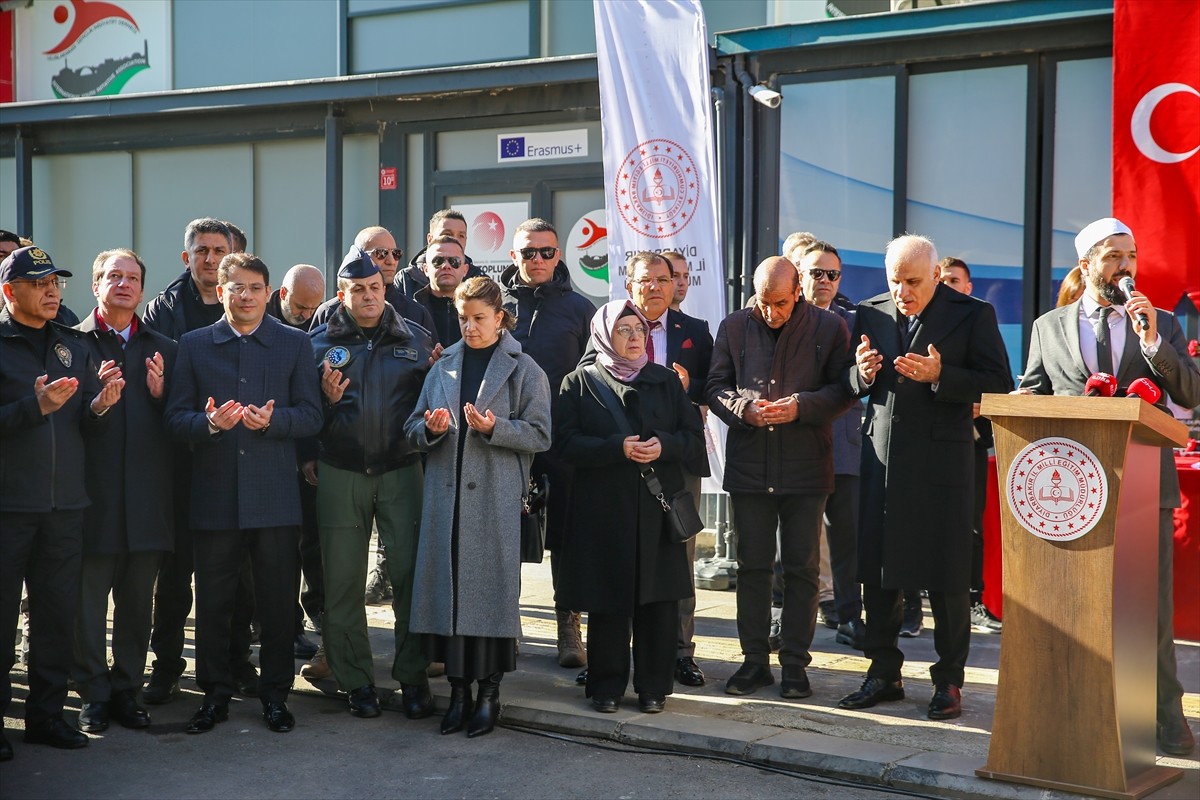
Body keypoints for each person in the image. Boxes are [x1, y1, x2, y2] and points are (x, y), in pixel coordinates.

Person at [1018, 217, 1200, 756]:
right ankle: (1078, 708)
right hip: (1075, 493)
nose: (1126, 266)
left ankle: (1166, 716)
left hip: (1146, 488)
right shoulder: (1048, 327)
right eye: (1113, 256)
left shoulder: (1162, 323)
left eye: (1132, 256)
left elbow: (1191, 394)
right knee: (1080, 607)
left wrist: (1151, 344)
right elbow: (1031, 393)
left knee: (1150, 610)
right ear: (1086, 265)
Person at [838, 235, 1011, 721]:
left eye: (913, 282)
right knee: (880, 571)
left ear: (935, 276)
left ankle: (949, 680)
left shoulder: (973, 314)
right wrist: (861, 374)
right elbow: (848, 381)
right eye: (895, 281)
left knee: (947, 575)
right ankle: (883, 672)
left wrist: (942, 375)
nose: (902, 292)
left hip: (943, 464)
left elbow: (999, 383)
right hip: (884, 459)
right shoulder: (869, 312)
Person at [165, 252, 323, 735]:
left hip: (275, 499)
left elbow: (312, 417)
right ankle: (214, 694)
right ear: (221, 291)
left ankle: (276, 695)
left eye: (255, 288)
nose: (246, 296)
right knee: (214, 604)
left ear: (268, 292)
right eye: (237, 288)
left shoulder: (294, 344)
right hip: (213, 498)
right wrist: (210, 423)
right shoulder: (192, 345)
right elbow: (175, 419)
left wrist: (275, 421)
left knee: (277, 605)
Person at [405, 276, 551, 737]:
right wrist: (429, 429)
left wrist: (495, 428)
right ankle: (459, 695)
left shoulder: (526, 369)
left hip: (493, 501)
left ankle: (489, 696)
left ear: (500, 318)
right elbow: (411, 429)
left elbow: (542, 434)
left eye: (479, 319)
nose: (469, 327)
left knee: (489, 599)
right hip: (445, 503)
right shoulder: (443, 365)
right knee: (448, 601)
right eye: (463, 318)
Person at [707, 257, 853, 699]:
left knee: (802, 569)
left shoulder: (828, 328)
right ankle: (754, 661)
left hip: (806, 467)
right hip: (751, 466)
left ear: (798, 292)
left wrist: (801, 407)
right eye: (764, 302)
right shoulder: (734, 326)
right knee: (751, 568)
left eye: (782, 303)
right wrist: (743, 410)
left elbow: (844, 389)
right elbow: (715, 387)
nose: (772, 311)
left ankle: (794, 663)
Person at [304, 247, 437, 721]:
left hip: (402, 471)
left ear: (386, 287)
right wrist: (323, 403)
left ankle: (413, 675)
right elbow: (302, 417)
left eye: (375, 287)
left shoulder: (418, 341)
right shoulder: (316, 345)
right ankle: (355, 679)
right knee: (342, 583)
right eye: (357, 289)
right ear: (342, 294)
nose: (367, 296)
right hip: (341, 473)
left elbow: (433, 406)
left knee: (409, 579)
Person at [556, 299, 706, 714]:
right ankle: (606, 686)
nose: (635, 337)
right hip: (604, 512)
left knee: (658, 604)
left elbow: (693, 440)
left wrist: (665, 444)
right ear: (604, 334)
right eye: (623, 330)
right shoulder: (579, 382)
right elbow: (564, 443)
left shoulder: (665, 381)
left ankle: (653, 687)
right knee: (608, 602)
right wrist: (614, 448)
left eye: (639, 329)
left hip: (656, 512)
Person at [1, 245, 123, 758]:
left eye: (56, 282)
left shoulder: (73, 343)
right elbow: (32, 415)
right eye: (39, 283)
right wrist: (35, 407)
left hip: (65, 508)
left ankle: (46, 717)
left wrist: (98, 407)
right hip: (9, 510)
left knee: (55, 619)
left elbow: (78, 426)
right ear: (10, 292)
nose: (52, 291)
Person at [580, 252, 712, 686]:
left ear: (676, 284)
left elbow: (710, 395)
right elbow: (584, 390)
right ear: (631, 285)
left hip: (669, 476)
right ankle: (605, 666)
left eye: (664, 279)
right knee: (614, 578)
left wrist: (684, 401)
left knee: (673, 566)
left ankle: (677, 654)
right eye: (646, 280)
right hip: (615, 486)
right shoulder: (603, 336)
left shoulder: (694, 333)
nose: (655, 287)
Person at [143, 217, 260, 705]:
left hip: (237, 462)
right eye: (202, 250)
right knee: (174, 577)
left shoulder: (246, 305)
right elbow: (149, 382)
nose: (210, 258)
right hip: (179, 463)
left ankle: (236, 660)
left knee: (238, 574)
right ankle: (167, 665)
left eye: (219, 250)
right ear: (185, 256)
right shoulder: (162, 312)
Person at [72, 249, 176, 736]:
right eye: (113, 276)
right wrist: (95, 407)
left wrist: (160, 398)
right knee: (88, 609)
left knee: (138, 608)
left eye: (133, 277)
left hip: (147, 504)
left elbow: (181, 425)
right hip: (90, 502)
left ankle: (127, 691)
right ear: (96, 285)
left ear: (142, 288)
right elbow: (58, 425)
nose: (124, 284)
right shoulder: (70, 346)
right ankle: (93, 695)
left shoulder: (163, 348)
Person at [499, 218, 595, 669]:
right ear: (513, 255)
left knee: (569, 537)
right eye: (527, 252)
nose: (536, 260)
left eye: (546, 252)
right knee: (501, 535)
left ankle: (569, 629)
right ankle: (503, 628)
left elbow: (594, 375)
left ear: (559, 255)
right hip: (502, 438)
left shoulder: (580, 309)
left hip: (561, 439)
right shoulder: (493, 304)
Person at [796, 242, 866, 649]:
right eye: (816, 273)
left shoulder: (856, 321)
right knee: (796, 541)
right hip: (797, 444)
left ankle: (850, 618)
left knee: (846, 539)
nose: (824, 281)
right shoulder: (781, 320)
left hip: (844, 444)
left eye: (832, 275)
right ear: (800, 275)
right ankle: (786, 617)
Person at [937, 257, 1004, 635]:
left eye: (954, 280)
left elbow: (998, 381)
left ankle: (974, 599)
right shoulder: (924, 322)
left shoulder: (978, 318)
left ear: (968, 287)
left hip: (970, 440)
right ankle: (915, 605)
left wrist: (975, 399)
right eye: (941, 279)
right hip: (927, 443)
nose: (947, 285)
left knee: (970, 526)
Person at [264, 263, 326, 660]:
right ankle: (282, 625)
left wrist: (309, 455)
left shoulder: (319, 325)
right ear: (282, 295)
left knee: (310, 542)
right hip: (264, 454)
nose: (308, 317)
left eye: (314, 309)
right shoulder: (263, 323)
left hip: (303, 447)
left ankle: (313, 610)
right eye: (302, 309)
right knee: (275, 551)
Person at [310, 226, 436, 339]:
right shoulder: (329, 312)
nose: (391, 261)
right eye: (381, 253)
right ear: (359, 256)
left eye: (396, 253)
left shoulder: (416, 313)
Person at [396, 209, 482, 299]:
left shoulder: (479, 281)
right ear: (430, 239)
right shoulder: (406, 280)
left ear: (465, 270)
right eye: (447, 234)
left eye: (461, 236)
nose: (455, 240)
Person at [412, 236, 471, 346]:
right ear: (426, 269)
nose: (446, 266)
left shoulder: (477, 309)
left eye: (454, 261)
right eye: (438, 261)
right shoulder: (412, 310)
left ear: (465, 270)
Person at [268, 264, 325, 330]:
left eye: (313, 308)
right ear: (283, 293)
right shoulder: (258, 316)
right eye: (300, 307)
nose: (307, 316)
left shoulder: (324, 319)